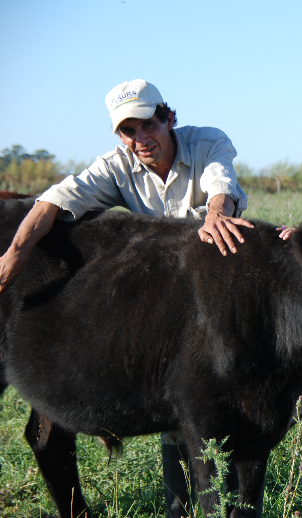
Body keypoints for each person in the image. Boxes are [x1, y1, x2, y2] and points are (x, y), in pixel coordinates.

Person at [0, 79, 253, 518]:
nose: (141, 139)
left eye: (149, 124)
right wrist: (12, 257)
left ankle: (229, 499)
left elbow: (221, 184)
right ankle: (180, 509)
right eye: (128, 131)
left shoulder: (206, 142)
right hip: (169, 296)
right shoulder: (116, 165)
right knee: (180, 405)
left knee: (222, 400)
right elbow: (55, 200)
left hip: (216, 288)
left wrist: (216, 214)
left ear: (169, 118)